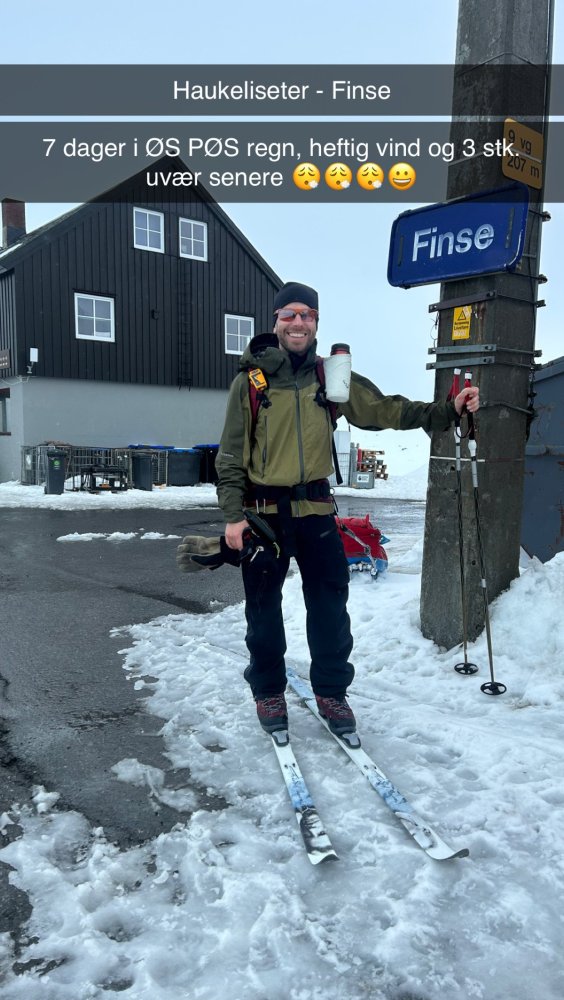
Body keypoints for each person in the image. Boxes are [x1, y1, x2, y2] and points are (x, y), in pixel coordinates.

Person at [215, 281, 479, 739]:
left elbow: (386, 410)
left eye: (307, 315)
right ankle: (269, 691)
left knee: (330, 610)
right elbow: (231, 455)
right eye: (290, 314)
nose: (298, 322)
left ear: (316, 322)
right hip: (263, 515)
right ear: (276, 321)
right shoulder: (250, 383)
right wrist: (233, 515)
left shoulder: (330, 377)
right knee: (263, 611)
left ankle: (332, 693)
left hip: (317, 511)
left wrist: (446, 411)